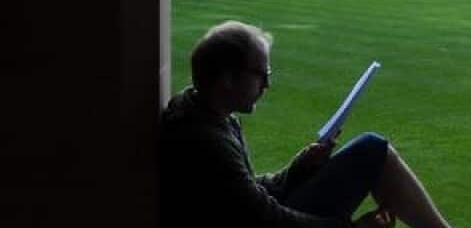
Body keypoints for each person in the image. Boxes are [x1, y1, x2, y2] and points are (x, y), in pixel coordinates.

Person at [159, 21, 454, 228]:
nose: (268, 84)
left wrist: (297, 168)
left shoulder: (209, 113)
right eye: (261, 75)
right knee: (373, 151)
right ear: (227, 78)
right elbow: (265, 219)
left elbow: (244, 195)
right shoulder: (204, 138)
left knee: (373, 149)